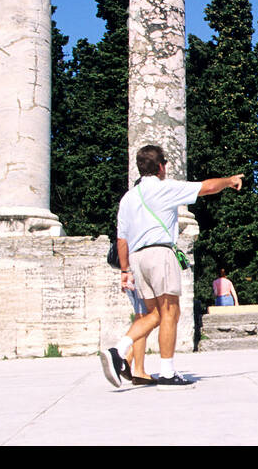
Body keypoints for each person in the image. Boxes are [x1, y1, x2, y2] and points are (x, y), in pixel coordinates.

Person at [99, 145, 242, 388]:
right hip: (159, 254)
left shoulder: (128, 198)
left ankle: (119, 350)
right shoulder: (164, 188)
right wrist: (229, 180)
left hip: (136, 258)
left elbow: (121, 239)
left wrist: (125, 271)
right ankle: (165, 371)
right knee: (170, 312)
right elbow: (206, 187)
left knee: (154, 314)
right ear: (162, 166)